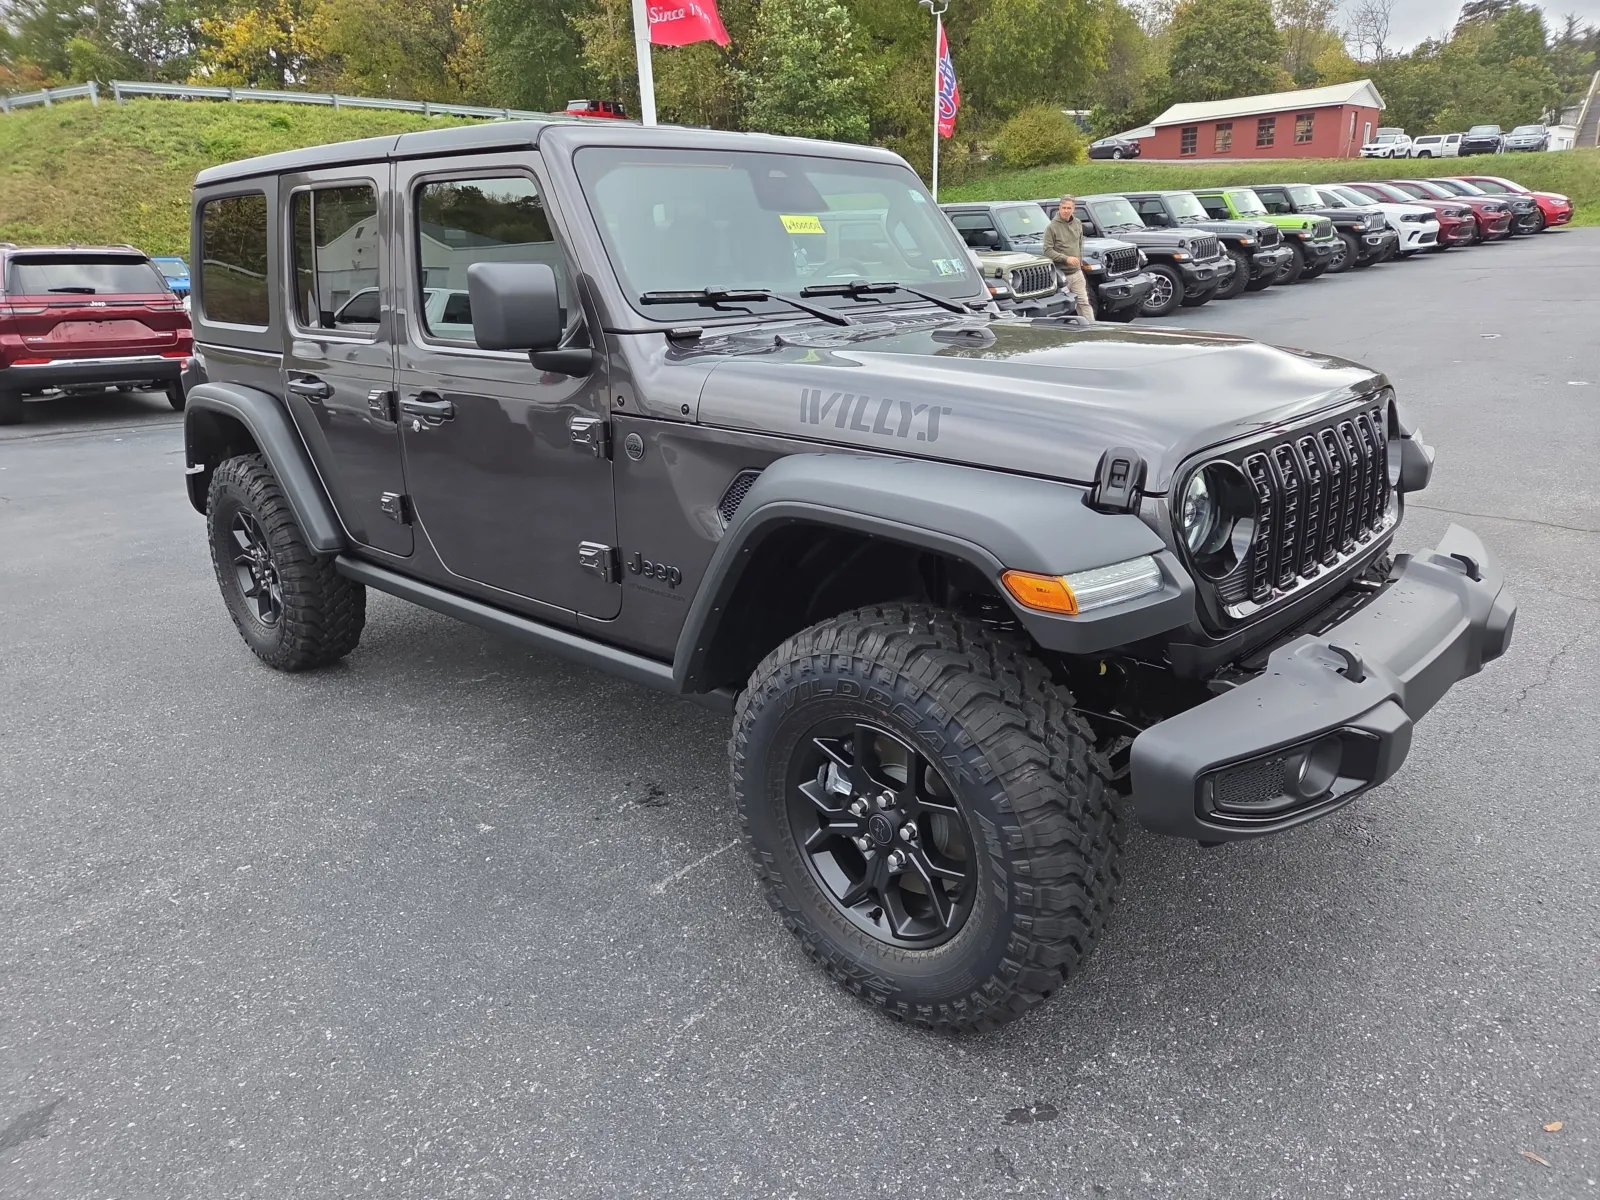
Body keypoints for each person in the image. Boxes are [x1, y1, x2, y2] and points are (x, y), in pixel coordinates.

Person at [1042, 195, 1094, 322]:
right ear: (1059, 208)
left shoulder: (1077, 223)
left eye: (1069, 208)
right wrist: (1066, 259)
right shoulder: (1051, 227)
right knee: (1063, 307)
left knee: (1084, 303)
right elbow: (1047, 251)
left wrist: (1079, 260)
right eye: (1063, 207)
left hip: (1077, 273)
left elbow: (1080, 243)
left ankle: (1092, 329)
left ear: (1073, 209)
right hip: (1061, 276)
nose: (1066, 210)